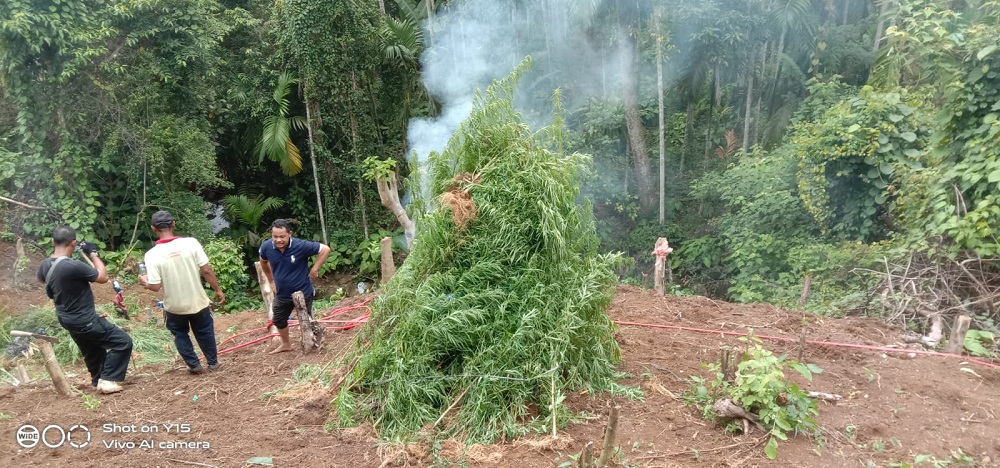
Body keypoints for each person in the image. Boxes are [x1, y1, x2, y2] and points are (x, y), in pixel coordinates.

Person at [36, 226, 133, 394]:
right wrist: (93, 253)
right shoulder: (73, 266)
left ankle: (97, 380)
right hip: (84, 319)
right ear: (73, 243)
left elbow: (43, 281)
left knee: (91, 349)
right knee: (122, 342)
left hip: (66, 318)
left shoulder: (46, 264)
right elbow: (102, 277)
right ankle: (108, 380)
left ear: (53, 241)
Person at [138, 211, 226, 374]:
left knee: (180, 334)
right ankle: (213, 363)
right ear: (173, 224)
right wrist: (217, 289)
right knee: (205, 331)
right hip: (198, 302)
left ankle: (194, 365)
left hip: (174, 306)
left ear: (153, 228)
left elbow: (155, 286)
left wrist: (145, 282)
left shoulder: (151, 255)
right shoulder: (191, 243)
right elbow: (206, 270)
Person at [258, 219, 331, 354]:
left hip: (302, 293)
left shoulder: (301, 246)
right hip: (282, 294)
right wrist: (271, 280)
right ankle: (286, 344)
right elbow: (263, 262)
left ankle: (310, 344)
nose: (278, 240)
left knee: (306, 321)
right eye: (275, 236)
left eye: (282, 236)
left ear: (290, 234)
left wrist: (315, 269)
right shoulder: (267, 247)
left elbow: (325, 249)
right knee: (278, 319)